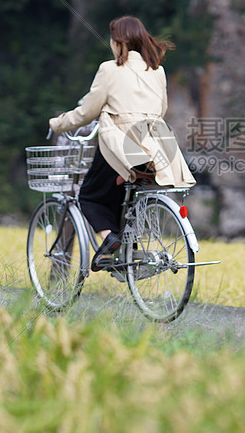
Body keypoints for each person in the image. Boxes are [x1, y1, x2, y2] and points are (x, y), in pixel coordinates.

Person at [49, 16, 196, 271]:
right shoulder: (157, 70)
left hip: (120, 142)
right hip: (156, 144)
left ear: (118, 42)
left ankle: (110, 238)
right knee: (125, 193)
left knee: (89, 195)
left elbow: (86, 112)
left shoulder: (109, 69)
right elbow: (161, 109)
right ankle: (125, 249)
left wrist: (57, 123)